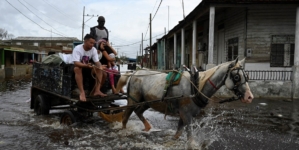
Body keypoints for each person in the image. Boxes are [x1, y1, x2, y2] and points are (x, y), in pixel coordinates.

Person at [72, 34, 107, 102]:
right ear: (85, 41)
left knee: (100, 70)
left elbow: (97, 61)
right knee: (77, 69)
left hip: (87, 67)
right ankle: (82, 92)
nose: (92, 45)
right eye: (91, 43)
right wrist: (86, 66)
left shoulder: (93, 49)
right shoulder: (77, 48)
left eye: (93, 43)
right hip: (77, 67)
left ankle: (97, 90)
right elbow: (76, 63)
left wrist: (100, 66)